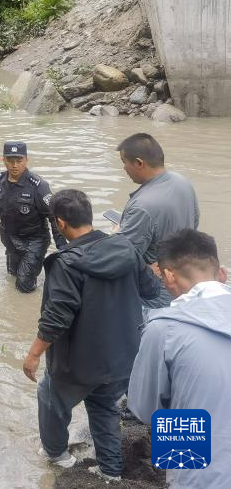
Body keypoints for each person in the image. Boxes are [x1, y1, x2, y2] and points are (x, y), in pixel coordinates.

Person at [22, 189, 160, 482]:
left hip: (77, 364)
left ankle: (59, 456)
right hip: (122, 358)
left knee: (51, 400)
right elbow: (150, 290)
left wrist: (33, 354)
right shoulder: (126, 248)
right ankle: (110, 471)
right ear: (89, 214)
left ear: (60, 223)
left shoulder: (65, 263)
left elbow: (57, 317)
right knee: (105, 408)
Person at [128, 229, 230, 489]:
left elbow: (146, 409)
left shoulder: (164, 329)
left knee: (179, 416)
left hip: (203, 475)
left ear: (169, 275)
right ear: (221, 274)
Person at [116, 133, 200, 308]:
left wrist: (116, 235)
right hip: (185, 282)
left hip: (155, 291)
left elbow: (121, 259)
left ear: (139, 163)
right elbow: (194, 223)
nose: (123, 168)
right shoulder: (183, 183)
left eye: (124, 162)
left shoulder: (142, 206)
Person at [0, 141, 67, 292]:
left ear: (26, 160)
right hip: (10, 239)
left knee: (23, 284)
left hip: (34, 240)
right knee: (12, 275)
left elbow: (54, 216)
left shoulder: (38, 186)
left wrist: (62, 245)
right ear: (3, 160)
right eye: (10, 161)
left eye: (19, 161)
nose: (14, 165)